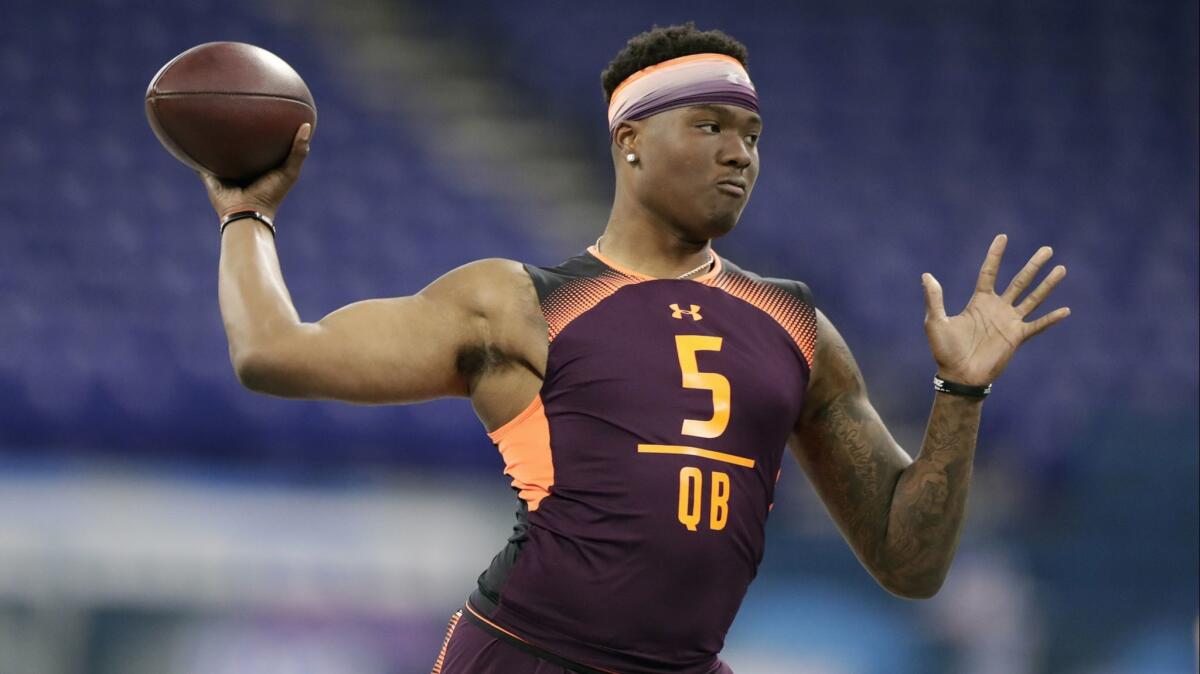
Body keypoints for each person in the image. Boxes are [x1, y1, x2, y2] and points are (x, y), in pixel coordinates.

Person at [198, 23, 1069, 674]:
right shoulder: (518, 302)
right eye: (710, 126)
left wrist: (959, 396)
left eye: (753, 135)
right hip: (528, 655)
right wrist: (248, 214)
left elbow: (909, 564)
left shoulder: (794, 322)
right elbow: (273, 351)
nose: (739, 154)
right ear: (629, 141)